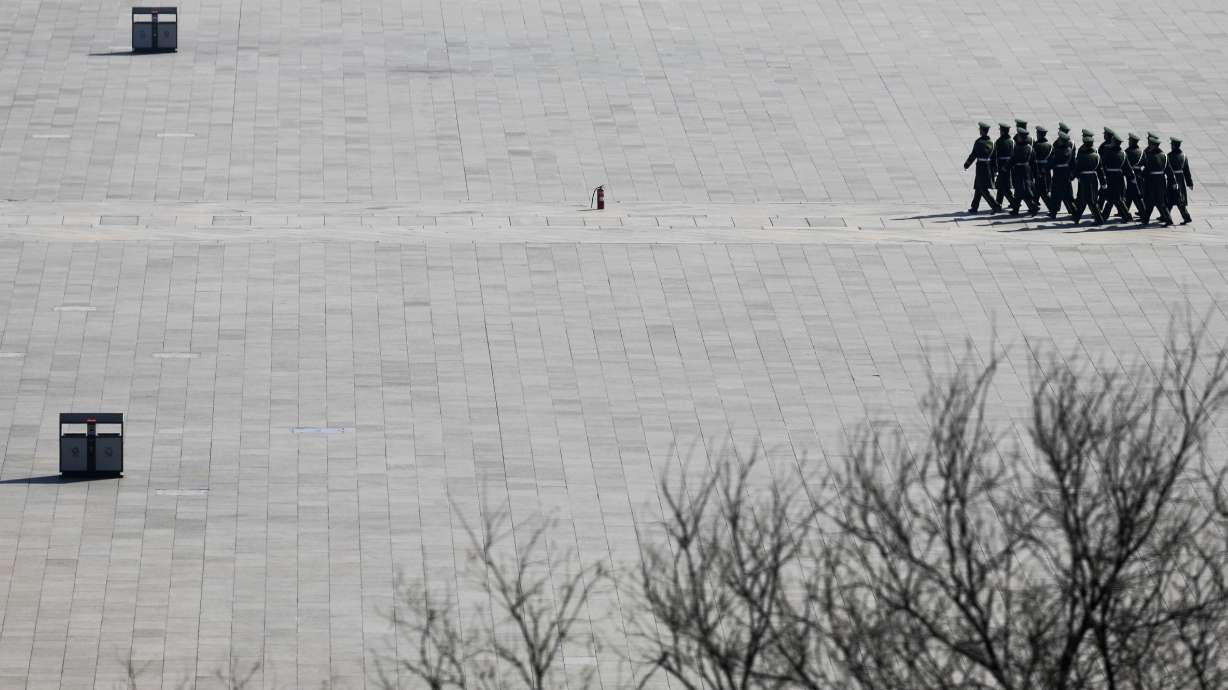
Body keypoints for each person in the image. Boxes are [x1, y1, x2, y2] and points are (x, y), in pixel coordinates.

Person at [963, 122, 1002, 212]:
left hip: (981, 168)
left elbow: (973, 155)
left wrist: (967, 164)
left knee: (982, 189)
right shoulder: (992, 142)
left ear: (982, 131)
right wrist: (995, 170)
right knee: (978, 187)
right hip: (988, 168)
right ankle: (974, 207)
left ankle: (995, 206)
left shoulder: (979, 142)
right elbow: (994, 158)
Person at [1139, 132, 1174, 226]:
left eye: (1150, 144)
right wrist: (1173, 181)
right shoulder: (1164, 155)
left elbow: (1147, 169)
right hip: (1161, 181)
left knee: (1155, 202)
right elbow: (1169, 170)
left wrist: (1141, 175)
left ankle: (1168, 219)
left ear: (1154, 145)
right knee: (1157, 201)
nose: (1149, 145)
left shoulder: (1151, 156)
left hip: (1152, 181)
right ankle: (1146, 219)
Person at [1071, 130, 1105, 225]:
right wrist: (1103, 183)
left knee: (1088, 201)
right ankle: (1076, 218)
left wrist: (1073, 177)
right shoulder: (1097, 156)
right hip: (1093, 180)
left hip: (1084, 180)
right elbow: (1100, 170)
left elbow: (1077, 168)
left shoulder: (1081, 156)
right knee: (1088, 200)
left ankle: (1099, 220)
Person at [1097, 133, 1133, 222]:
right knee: (1113, 198)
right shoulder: (1123, 154)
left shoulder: (1108, 152)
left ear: (1114, 142)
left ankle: (1127, 216)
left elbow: (1102, 164)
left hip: (1110, 178)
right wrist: (1132, 177)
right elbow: (1127, 168)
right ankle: (1104, 216)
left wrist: (1103, 176)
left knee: (1116, 199)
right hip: (1119, 178)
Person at [1009, 128, 1039, 215]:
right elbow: (1034, 162)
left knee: (1021, 191)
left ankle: (1032, 207)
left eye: (1018, 136)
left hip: (1019, 171)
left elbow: (1013, 159)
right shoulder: (1030, 148)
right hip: (1027, 171)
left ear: (1021, 137)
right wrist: (1036, 174)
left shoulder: (1017, 148)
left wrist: (1006, 167)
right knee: (1022, 191)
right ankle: (1017, 209)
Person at [1047, 131, 1077, 219]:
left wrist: (1045, 168)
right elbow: (1073, 163)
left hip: (1058, 175)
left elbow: (1052, 162)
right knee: (1068, 196)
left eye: (1059, 139)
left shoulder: (1058, 151)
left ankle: (1053, 213)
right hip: (1066, 175)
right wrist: (1073, 174)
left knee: (1055, 195)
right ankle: (1074, 212)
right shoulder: (1069, 149)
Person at [1166, 137, 1194, 225]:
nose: (1171, 146)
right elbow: (1187, 171)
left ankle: (1167, 218)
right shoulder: (1184, 155)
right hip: (1180, 179)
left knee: (1170, 199)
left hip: (1172, 179)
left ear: (1174, 146)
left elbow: (1167, 169)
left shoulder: (1169, 156)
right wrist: (1189, 183)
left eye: (1172, 144)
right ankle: (1186, 217)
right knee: (1179, 200)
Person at [993, 122, 1016, 208]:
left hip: (1002, 166)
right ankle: (998, 202)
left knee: (1003, 186)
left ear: (1002, 131)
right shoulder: (1012, 141)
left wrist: (995, 168)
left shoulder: (999, 141)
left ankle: (1014, 202)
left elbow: (996, 155)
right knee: (1001, 185)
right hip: (1010, 166)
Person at [1123, 132, 1145, 215]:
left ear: (1132, 142)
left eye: (1129, 141)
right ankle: (1125, 211)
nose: (1128, 142)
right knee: (1132, 193)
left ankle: (1142, 212)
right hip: (1139, 174)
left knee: (1134, 194)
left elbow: (1124, 163)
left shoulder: (1127, 152)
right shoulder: (1142, 152)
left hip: (1130, 174)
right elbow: (1145, 163)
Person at [1032, 126, 1053, 207]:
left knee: (1041, 189)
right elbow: (1052, 159)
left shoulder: (1036, 145)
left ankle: (1051, 206)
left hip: (1038, 169)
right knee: (1040, 188)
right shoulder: (1049, 146)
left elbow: (1033, 159)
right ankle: (1035, 202)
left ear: (1039, 135)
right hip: (1046, 170)